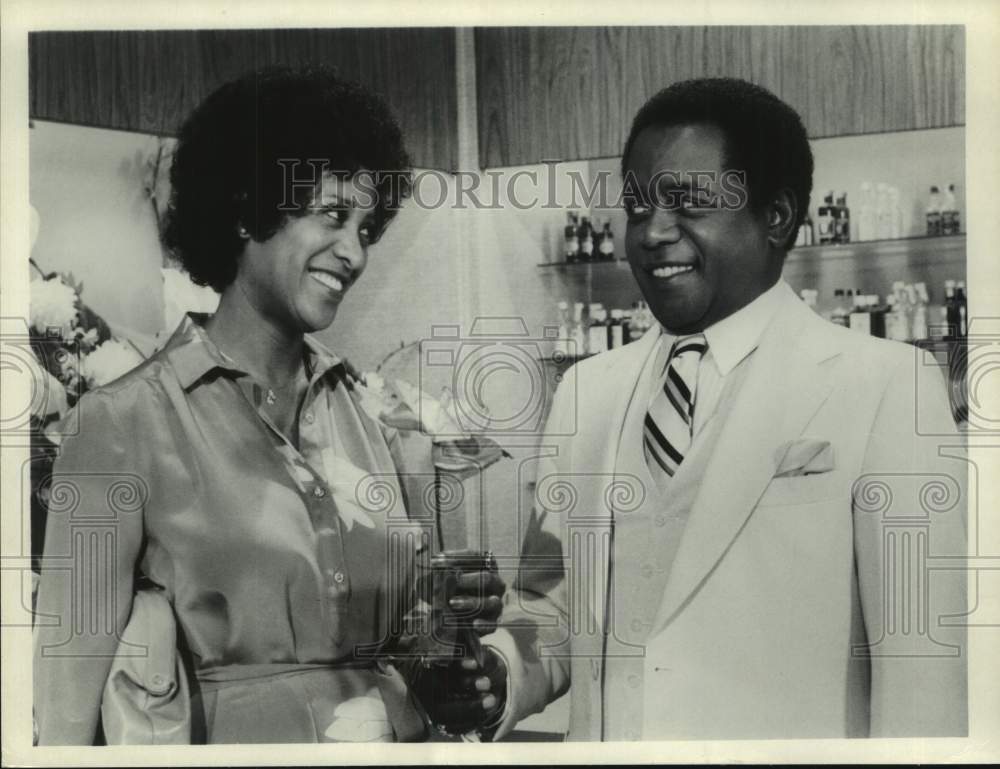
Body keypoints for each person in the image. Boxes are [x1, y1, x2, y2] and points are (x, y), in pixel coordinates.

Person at [475, 77, 967, 740]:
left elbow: (921, 682)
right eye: (637, 205)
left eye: (687, 203)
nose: (652, 232)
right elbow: (554, 603)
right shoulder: (586, 393)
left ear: (777, 216)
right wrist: (499, 668)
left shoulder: (887, 386)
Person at [32, 66, 503, 745]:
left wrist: (453, 637)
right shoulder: (120, 425)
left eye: (368, 229)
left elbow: (415, 647)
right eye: (334, 216)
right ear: (249, 207)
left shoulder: (372, 416)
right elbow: (66, 710)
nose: (354, 252)